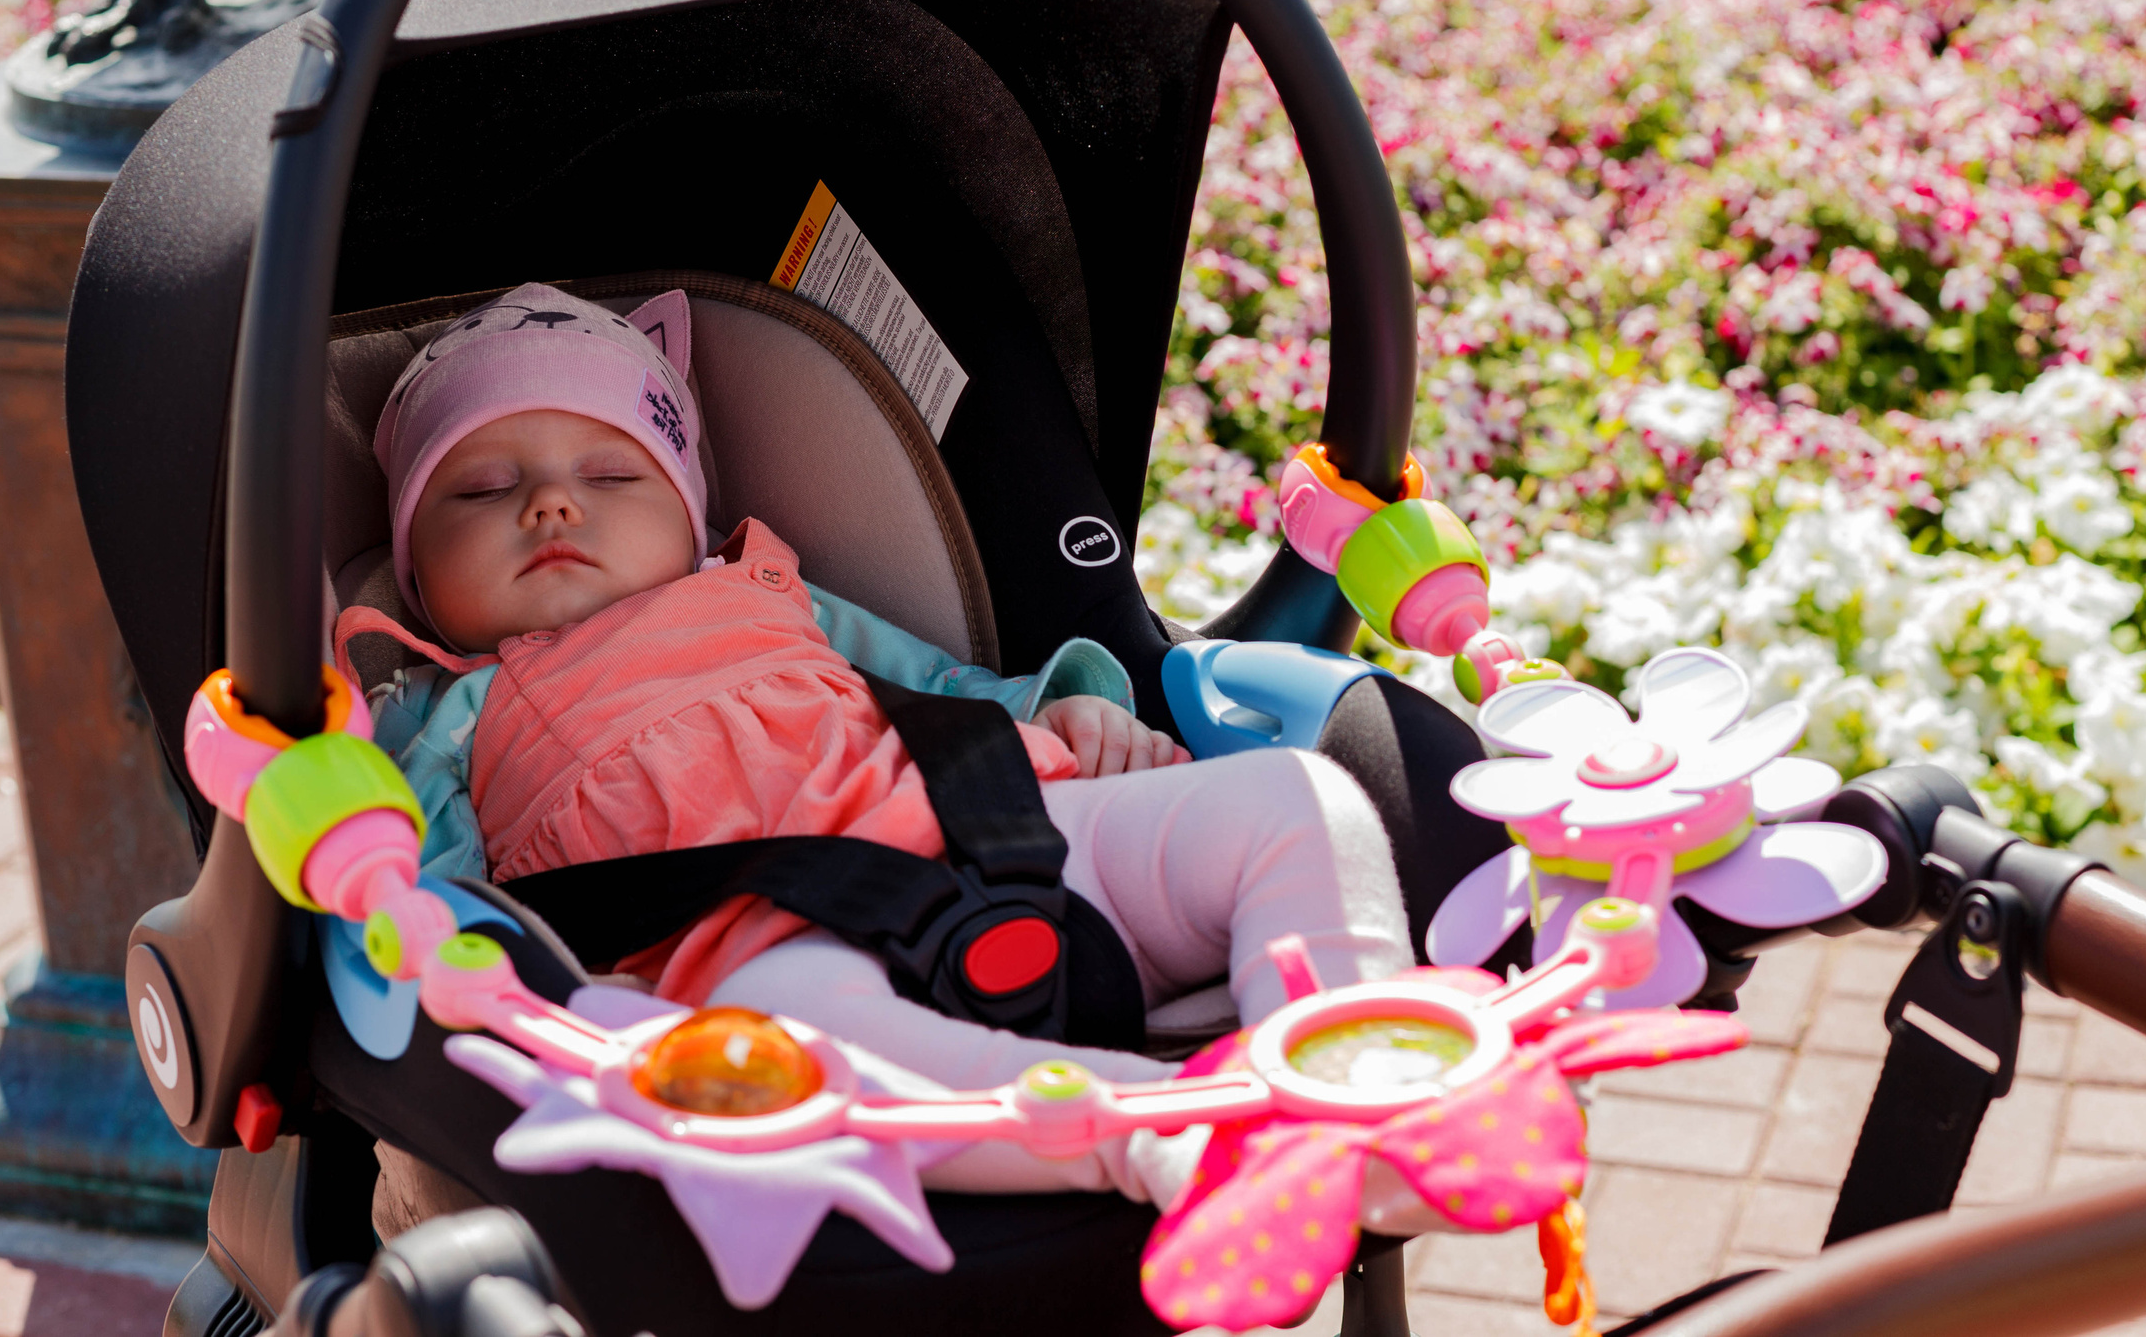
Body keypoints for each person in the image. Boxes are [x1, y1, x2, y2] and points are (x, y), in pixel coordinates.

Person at [338, 284, 1413, 1209]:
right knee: (787, 1061)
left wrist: (1055, 714)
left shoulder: (765, 590)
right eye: (480, 489)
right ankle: (1157, 1146)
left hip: (1009, 842)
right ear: (419, 584)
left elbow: (941, 691)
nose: (553, 501)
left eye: (613, 475)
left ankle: (1354, 1065)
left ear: (691, 514)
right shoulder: (446, 716)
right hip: (753, 952)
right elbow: (421, 907)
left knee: (1291, 800)